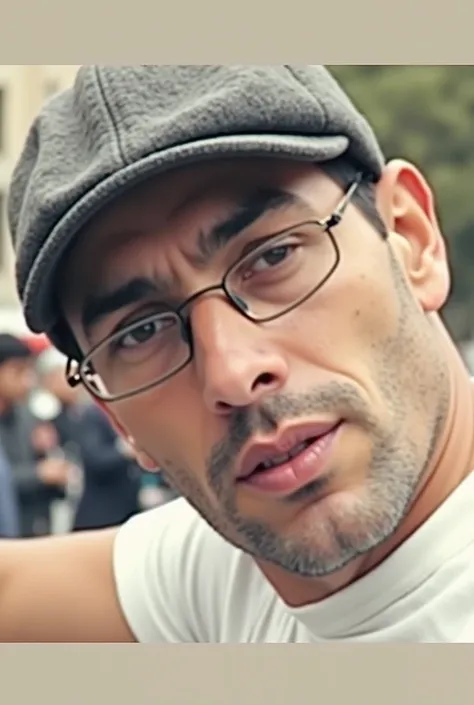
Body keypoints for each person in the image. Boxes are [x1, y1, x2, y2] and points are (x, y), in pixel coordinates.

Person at [1, 64, 474, 642]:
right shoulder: (221, 579)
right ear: (118, 418)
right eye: (141, 332)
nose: (231, 373)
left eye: (273, 257)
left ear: (413, 237)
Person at [0, 334, 72, 537]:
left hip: (34, 529)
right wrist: (39, 475)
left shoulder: (27, 416)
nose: (26, 381)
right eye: (17, 371)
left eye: (28, 371)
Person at [72, 402, 141, 531]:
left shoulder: (130, 412)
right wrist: (123, 451)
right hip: (101, 512)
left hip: (128, 508)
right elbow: (94, 458)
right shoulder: (94, 415)